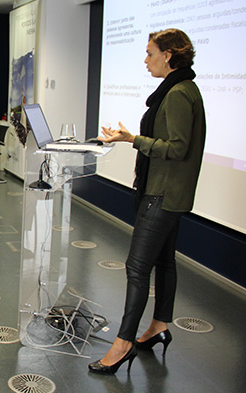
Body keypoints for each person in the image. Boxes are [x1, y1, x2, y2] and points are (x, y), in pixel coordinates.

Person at [89, 28, 206, 374]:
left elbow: (177, 148)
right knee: (164, 262)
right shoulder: (183, 89)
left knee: (137, 267)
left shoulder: (179, 94)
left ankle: (123, 344)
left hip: (163, 192)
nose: (145, 60)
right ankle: (159, 325)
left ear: (168, 55)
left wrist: (133, 139)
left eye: (150, 52)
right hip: (169, 191)